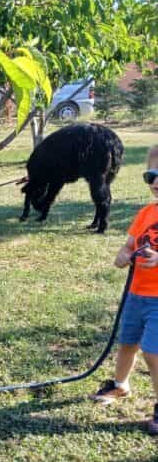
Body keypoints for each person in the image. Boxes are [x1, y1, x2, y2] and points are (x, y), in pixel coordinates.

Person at [91, 145, 158, 434]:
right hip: (136, 294)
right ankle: (120, 385)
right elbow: (130, 244)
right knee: (128, 342)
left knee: (153, 352)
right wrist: (123, 255)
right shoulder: (145, 213)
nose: (156, 182)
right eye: (151, 175)